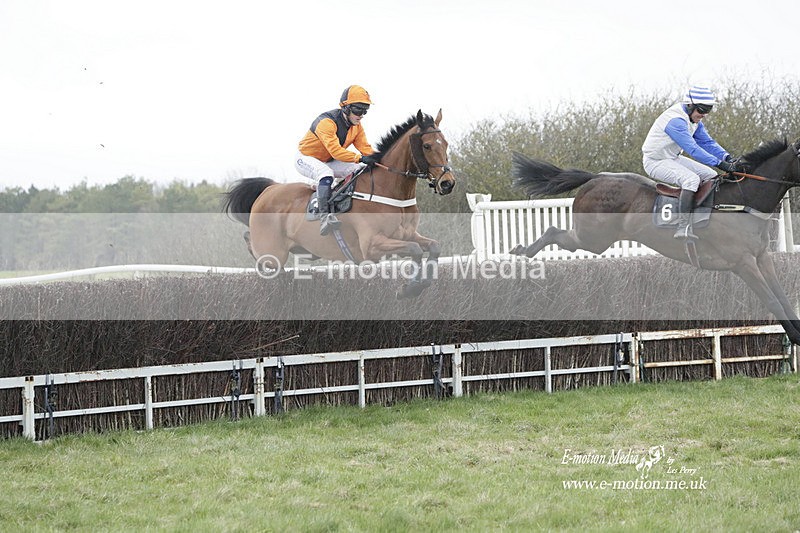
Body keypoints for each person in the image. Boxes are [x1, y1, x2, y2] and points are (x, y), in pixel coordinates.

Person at [642, 84, 743, 239]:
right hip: (655, 162)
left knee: (711, 175)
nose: (703, 115)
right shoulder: (676, 121)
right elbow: (693, 150)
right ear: (690, 105)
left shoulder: (694, 121)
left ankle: (701, 215)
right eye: (701, 110)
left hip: (672, 157)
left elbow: (707, 143)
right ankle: (683, 227)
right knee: (691, 179)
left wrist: (727, 157)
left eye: (707, 110)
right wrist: (721, 164)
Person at [295, 85, 378, 236]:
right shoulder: (326, 123)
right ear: (345, 107)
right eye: (358, 109)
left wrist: (380, 159)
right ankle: (324, 217)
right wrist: (359, 157)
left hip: (328, 160)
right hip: (306, 158)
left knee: (358, 169)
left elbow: (366, 149)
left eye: (365, 110)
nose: (361, 115)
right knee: (326, 173)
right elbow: (336, 151)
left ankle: (344, 202)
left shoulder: (357, 127)